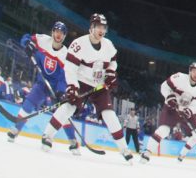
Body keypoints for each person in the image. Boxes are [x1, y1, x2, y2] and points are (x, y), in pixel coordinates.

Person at [40, 14, 133, 163]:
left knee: (109, 114)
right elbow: (70, 68)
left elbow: (113, 62)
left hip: (99, 85)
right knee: (68, 107)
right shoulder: (79, 44)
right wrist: (72, 86)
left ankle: (124, 149)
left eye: (104, 27)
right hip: (81, 82)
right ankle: (47, 135)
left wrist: (110, 72)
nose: (101, 30)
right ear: (91, 28)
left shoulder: (108, 45)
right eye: (98, 27)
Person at [7, 22, 79, 154]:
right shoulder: (42, 39)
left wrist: (60, 91)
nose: (58, 34)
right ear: (52, 32)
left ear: (64, 36)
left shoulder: (66, 54)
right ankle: (16, 129)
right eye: (56, 31)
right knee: (29, 102)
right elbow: (26, 38)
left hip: (57, 87)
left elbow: (64, 77)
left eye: (61, 32)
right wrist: (27, 44)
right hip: (42, 82)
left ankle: (73, 141)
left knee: (62, 113)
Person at [140, 62, 196, 163]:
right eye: (194, 71)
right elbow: (164, 86)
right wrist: (169, 96)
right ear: (189, 71)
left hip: (186, 112)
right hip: (172, 108)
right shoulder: (179, 77)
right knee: (163, 130)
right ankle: (147, 152)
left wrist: (190, 110)